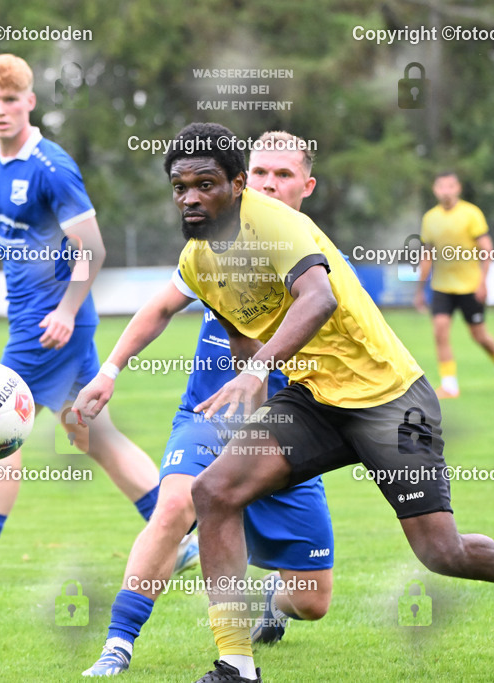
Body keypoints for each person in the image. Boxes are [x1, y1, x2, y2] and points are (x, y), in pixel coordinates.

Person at [77, 123, 494, 683]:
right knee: (212, 491)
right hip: (315, 401)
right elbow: (238, 326)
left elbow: (317, 298)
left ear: (238, 184)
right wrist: (124, 373)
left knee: (442, 553)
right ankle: (235, 664)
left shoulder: (279, 224)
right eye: (181, 187)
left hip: (390, 400)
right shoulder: (200, 260)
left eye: (206, 183)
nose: (192, 197)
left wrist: (255, 371)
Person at [0, 54, 173, 584]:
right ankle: (179, 534)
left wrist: (66, 311)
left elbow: (91, 246)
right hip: (40, 320)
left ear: (29, 101)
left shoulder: (51, 167)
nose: (0, 111)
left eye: (9, 100)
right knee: (91, 433)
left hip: (47, 327)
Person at [78, 131, 333, 677]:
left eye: (283, 175)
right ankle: (118, 645)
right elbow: (160, 307)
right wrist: (109, 371)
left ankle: (272, 602)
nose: (269, 183)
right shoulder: (211, 243)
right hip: (209, 417)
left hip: (290, 429)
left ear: (306, 187)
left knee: (312, 601)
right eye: (261, 172)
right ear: (243, 180)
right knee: (174, 506)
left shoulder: (316, 261)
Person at [413, 172, 494, 398]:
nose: (446, 191)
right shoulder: (430, 218)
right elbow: (426, 256)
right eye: (441, 186)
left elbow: (486, 249)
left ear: (458, 188)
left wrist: (483, 282)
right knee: (440, 331)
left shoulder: (471, 214)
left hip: (470, 286)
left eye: (450, 186)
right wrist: (420, 289)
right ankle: (449, 385)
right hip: (442, 287)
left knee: (479, 336)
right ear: (435, 190)